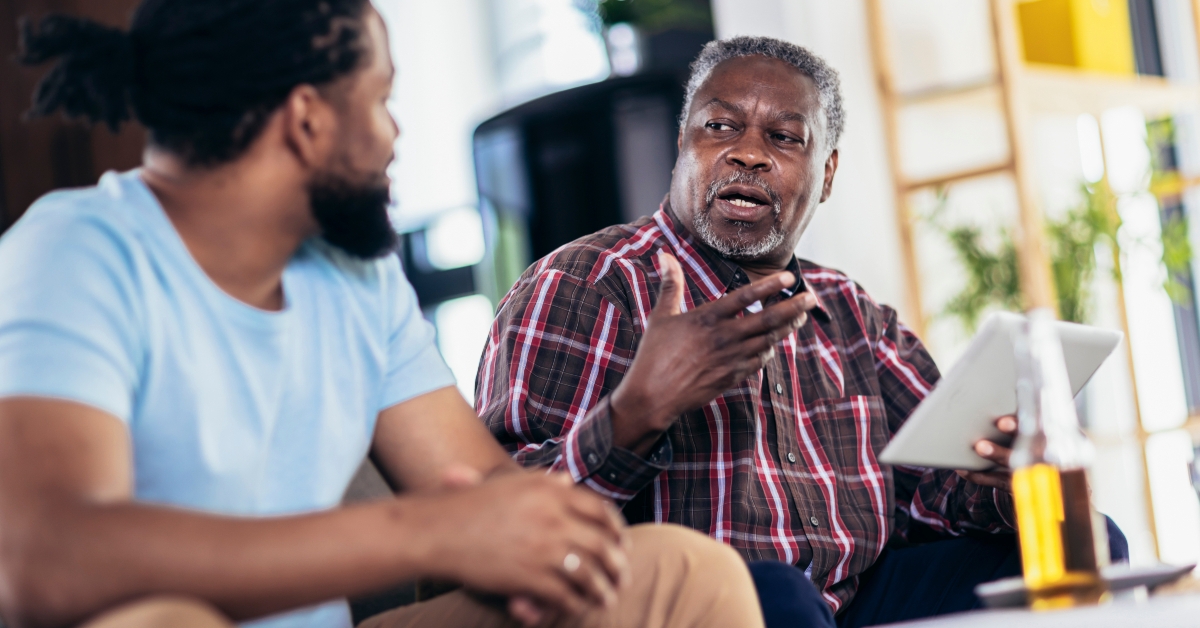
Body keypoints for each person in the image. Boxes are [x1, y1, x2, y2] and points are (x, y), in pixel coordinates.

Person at [0, 3, 766, 628]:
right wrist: (427, 536)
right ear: (307, 120)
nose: (394, 135)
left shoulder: (354, 277)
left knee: (679, 575)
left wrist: (556, 522)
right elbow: (46, 560)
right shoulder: (76, 250)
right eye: (379, 100)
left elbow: (478, 496)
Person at [476, 36, 1036, 628]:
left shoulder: (851, 313)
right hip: (693, 609)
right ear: (681, 144)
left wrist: (998, 476)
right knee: (775, 591)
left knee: (1064, 543)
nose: (747, 153)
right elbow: (497, 527)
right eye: (720, 127)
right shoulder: (585, 285)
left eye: (785, 137)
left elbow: (928, 501)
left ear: (827, 174)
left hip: (851, 603)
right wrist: (637, 413)